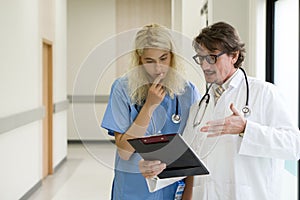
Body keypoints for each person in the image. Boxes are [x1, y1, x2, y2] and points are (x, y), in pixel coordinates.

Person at [139, 21, 300, 200]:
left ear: (234, 55)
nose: (205, 66)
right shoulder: (200, 107)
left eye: (212, 57)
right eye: (201, 58)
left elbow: (294, 145)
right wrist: (155, 168)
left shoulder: (264, 93)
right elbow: (188, 157)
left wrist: (246, 128)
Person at [101, 23, 201, 200]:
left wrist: (189, 193)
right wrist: (149, 107)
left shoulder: (187, 91)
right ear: (140, 59)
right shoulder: (122, 89)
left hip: (172, 187)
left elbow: (194, 148)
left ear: (172, 57)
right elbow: (124, 151)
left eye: (164, 58)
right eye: (150, 61)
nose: (158, 68)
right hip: (134, 188)